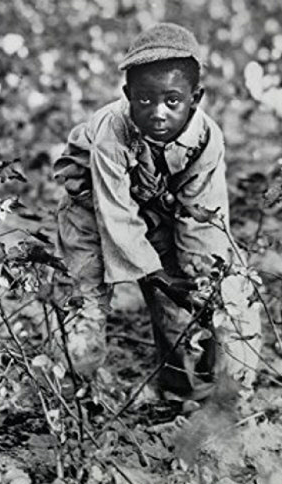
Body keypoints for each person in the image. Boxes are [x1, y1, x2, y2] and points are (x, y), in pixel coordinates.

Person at [52, 23, 261, 404]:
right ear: (127, 95)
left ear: (195, 98)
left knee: (194, 291)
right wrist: (158, 275)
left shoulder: (206, 139)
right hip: (90, 210)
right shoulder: (111, 131)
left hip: (153, 209)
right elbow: (114, 212)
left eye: (172, 101)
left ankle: (186, 391)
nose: (158, 113)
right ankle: (74, 394)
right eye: (144, 100)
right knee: (87, 301)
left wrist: (199, 279)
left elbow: (202, 218)